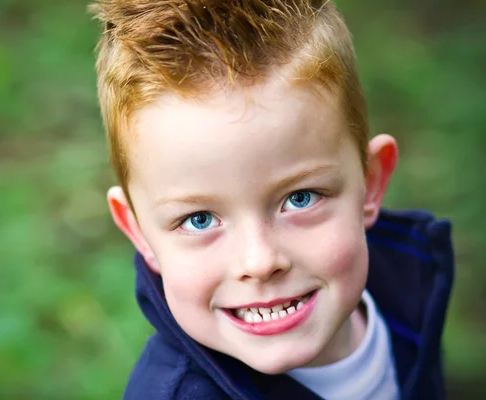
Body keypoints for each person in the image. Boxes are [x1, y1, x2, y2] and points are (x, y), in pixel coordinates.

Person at [90, 1, 454, 399]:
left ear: (369, 184)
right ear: (139, 230)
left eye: (300, 198)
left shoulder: (406, 284)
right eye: (199, 220)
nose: (259, 262)